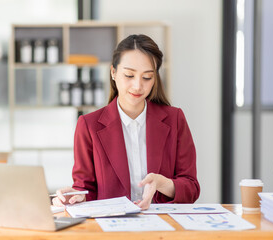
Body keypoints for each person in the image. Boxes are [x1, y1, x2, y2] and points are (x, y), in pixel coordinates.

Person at [53, 34, 200, 210]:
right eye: (129, 75)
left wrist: (162, 183)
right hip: (113, 229)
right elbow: (85, 189)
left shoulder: (175, 119)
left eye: (147, 77)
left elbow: (191, 188)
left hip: (163, 229)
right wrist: (74, 197)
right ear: (113, 72)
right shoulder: (89, 125)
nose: (138, 86)